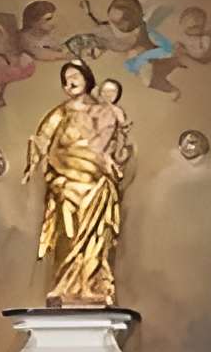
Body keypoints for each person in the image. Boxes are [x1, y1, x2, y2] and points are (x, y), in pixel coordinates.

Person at [24, 59, 131, 306]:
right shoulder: (60, 113)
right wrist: (33, 161)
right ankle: (64, 287)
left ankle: (91, 286)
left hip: (96, 184)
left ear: (87, 79)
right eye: (67, 77)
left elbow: (115, 148)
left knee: (96, 238)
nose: (70, 80)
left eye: (76, 75)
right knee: (67, 233)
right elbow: (41, 138)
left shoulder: (102, 112)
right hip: (66, 184)